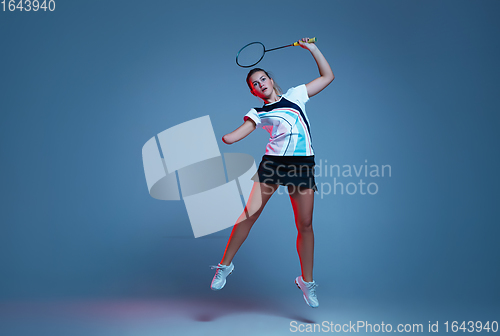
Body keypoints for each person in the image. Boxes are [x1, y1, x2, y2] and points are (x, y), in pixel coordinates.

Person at [210, 37, 334, 308]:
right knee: (249, 214)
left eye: (263, 78)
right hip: (273, 165)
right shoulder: (258, 112)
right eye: (255, 84)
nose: (261, 84)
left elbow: (328, 76)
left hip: (302, 165)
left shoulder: (295, 95)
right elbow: (237, 134)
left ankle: (306, 281)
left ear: (271, 80)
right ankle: (224, 266)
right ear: (253, 92)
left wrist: (312, 49)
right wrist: (227, 138)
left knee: (305, 225)